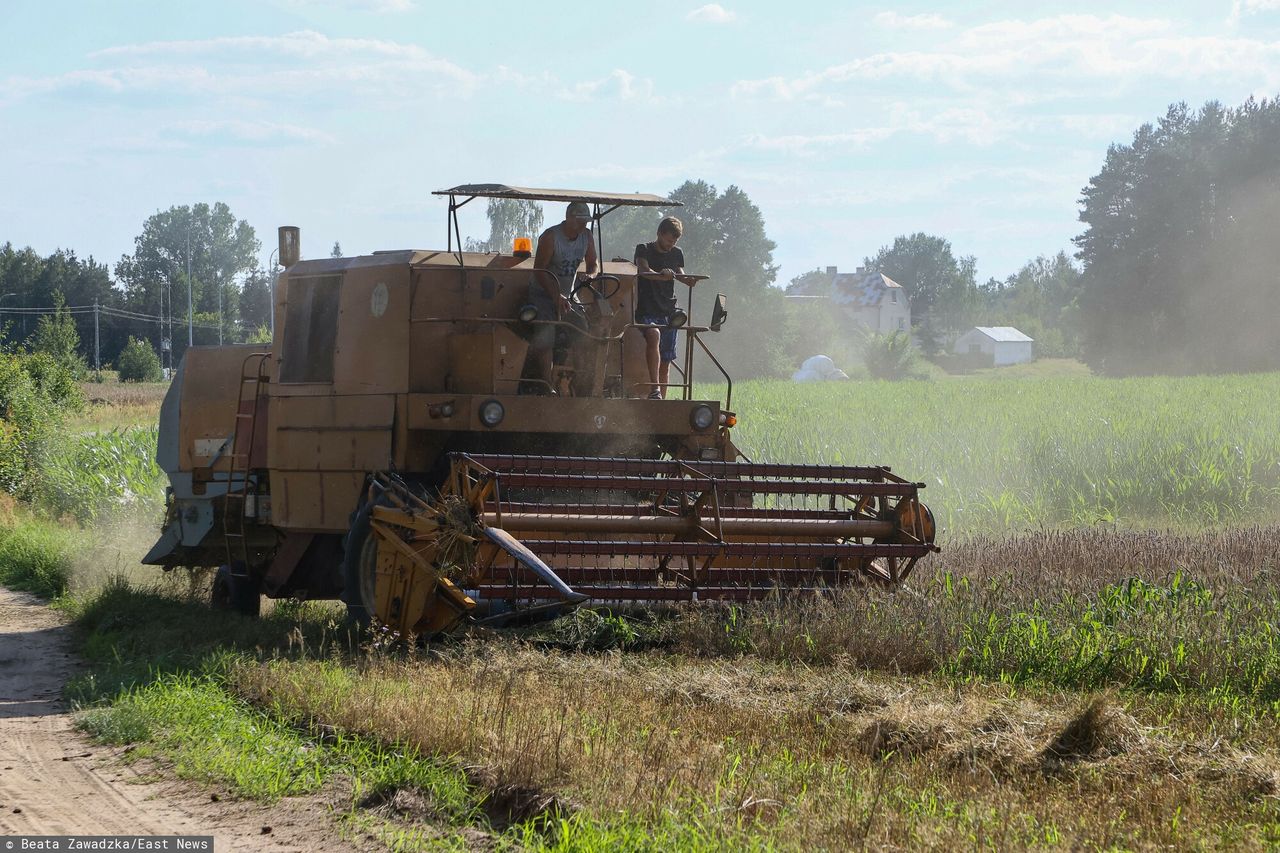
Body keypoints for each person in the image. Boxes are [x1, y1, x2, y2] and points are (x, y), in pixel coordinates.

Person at [527, 201, 598, 391]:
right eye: (580, 221)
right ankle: (546, 384)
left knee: (583, 331)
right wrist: (555, 295)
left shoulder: (587, 237)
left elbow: (593, 264)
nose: (583, 225)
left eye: (586, 221)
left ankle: (582, 383)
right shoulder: (551, 237)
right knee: (546, 333)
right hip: (542, 295)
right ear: (569, 218)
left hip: (569, 296)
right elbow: (540, 270)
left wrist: (589, 275)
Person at [634, 216, 686, 399]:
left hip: (669, 310)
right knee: (654, 333)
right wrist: (661, 275)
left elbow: (681, 275)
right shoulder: (644, 249)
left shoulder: (676, 253)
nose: (671, 244)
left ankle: (661, 399)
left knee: (667, 358)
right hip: (647, 310)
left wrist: (690, 280)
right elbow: (643, 271)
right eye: (669, 240)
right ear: (659, 234)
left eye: (674, 241)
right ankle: (654, 389)